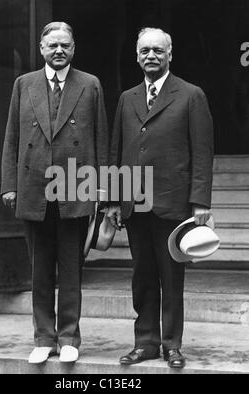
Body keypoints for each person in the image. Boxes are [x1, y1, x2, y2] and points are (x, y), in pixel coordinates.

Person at [1, 22, 108, 364]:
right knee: (40, 269)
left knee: (72, 268)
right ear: (41, 48)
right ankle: (43, 337)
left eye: (65, 45)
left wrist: (102, 188)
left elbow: (101, 139)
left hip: (76, 188)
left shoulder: (89, 84)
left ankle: (69, 337)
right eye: (53, 46)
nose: (59, 51)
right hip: (34, 188)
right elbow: (12, 138)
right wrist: (9, 184)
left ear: (74, 48)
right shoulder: (24, 84)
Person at [108, 27, 214, 369]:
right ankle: (146, 343)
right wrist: (113, 198)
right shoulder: (127, 98)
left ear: (170, 55)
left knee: (171, 277)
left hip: (173, 203)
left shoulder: (191, 95)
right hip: (134, 203)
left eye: (157, 50)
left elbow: (202, 152)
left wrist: (200, 202)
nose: (151, 56)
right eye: (144, 51)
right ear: (137, 57)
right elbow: (117, 150)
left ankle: (171, 345)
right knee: (142, 276)